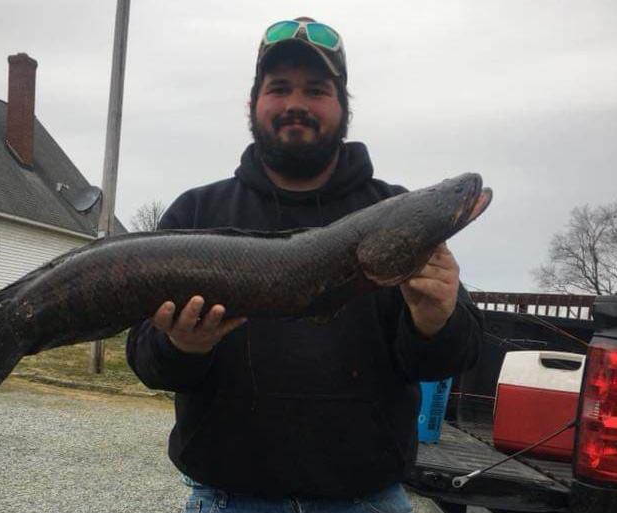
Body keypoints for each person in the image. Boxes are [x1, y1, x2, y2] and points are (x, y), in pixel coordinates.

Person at [126, 16, 483, 513]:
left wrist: (435, 323)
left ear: (343, 108)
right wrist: (180, 347)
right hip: (229, 500)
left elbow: (452, 356)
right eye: (279, 89)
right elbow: (146, 361)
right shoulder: (195, 215)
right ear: (254, 104)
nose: (296, 104)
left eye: (316, 90)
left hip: (370, 501)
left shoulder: (400, 213)